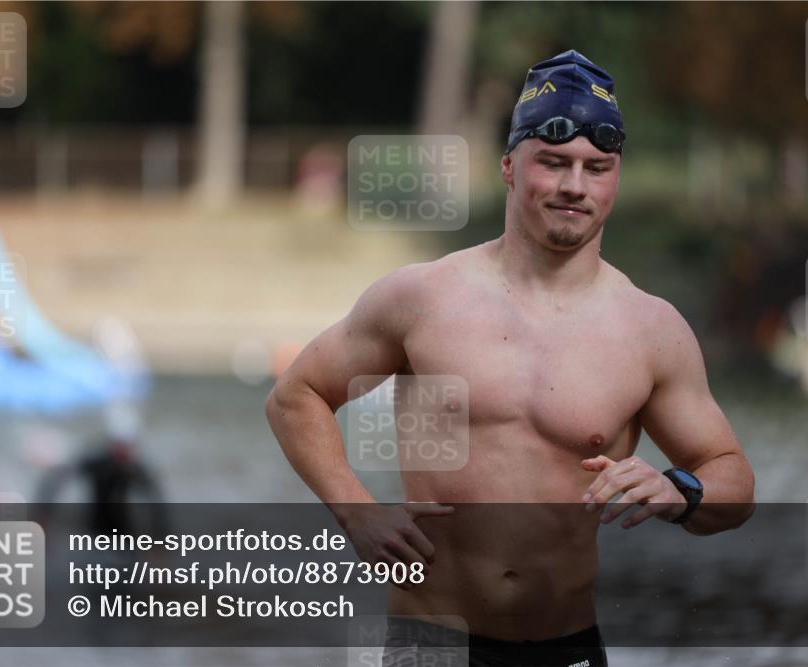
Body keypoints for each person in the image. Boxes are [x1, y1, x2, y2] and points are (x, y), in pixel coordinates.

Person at [266, 49, 755, 667]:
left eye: (595, 167)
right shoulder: (420, 298)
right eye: (552, 163)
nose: (574, 186)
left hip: (565, 647)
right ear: (509, 167)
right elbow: (296, 396)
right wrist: (355, 512)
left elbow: (733, 480)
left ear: (616, 176)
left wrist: (679, 488)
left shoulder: (651, 328)